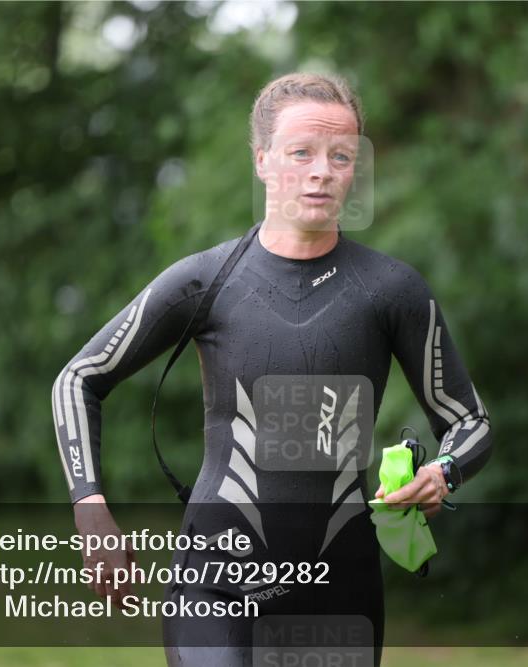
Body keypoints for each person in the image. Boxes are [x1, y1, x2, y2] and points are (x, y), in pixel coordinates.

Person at [52, 72, 492, 666]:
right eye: (301, 153)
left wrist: (441, 472)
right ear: (262, 161)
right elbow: (79, 379)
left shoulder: (392, 290)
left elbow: (469, 422)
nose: (322, 171)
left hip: (341, 591)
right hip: (216, 581)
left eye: (341, 156)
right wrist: (91, 508)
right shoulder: (205, 281)